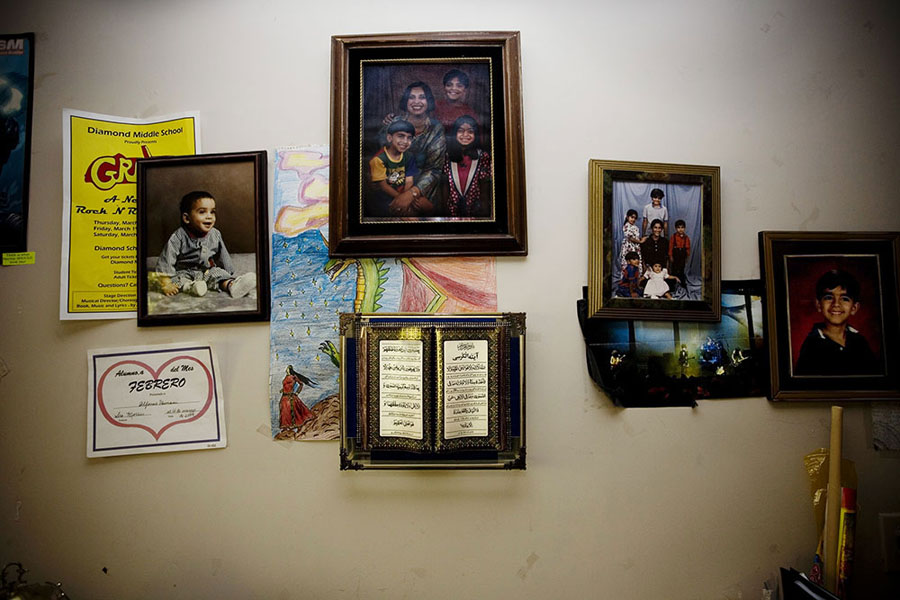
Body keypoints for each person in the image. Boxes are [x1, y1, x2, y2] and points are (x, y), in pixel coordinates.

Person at [155, 190, 256, 299]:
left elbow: (222, 255)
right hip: (184, 271)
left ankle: (232, 286)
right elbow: (167, 259)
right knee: (178, 279)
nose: (209, 216)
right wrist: (166, 282)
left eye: (212, 212)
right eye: (202, 212)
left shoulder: (215, 234)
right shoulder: (178, 237)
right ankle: (191, 287)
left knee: (217, 274)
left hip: (206, 270)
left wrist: (227, 271)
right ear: (187, 218)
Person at [379, 81, 446, 217]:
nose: (417, 102)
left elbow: (434, 169)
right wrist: (401, 195)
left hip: (424, 191)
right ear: (406, 100)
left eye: (422, 97)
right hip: (391, 186)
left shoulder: (436, 128)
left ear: (428, 101)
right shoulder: (392, 123)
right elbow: (380, 160)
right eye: (412, 97)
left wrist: (413, 193)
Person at [794, 269, 879, 375]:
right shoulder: (811, 346)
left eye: (844, 299)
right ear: (819, 305)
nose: (836, 304)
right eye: (829, 297)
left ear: (854, 308)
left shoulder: (860, 342)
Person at [437, 115, 492, 217]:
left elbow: (485, 190)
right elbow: (444, 188)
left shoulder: (483, 157)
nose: (465, 135)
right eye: (461, 131)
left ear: (475, 135)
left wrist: (484, 213)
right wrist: (444, 212)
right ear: (454, 133)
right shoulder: (447, 157)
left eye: (470, 131)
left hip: (475, 212)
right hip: (451, 212)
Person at [366, 119, 419, 217]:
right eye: (400, 136)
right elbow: (384, 186)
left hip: (404, 192)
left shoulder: (409, 156)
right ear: (389, 138)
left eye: (409, 138)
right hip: (384, 196)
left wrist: (406, 197)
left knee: (427, 206)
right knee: (409, 215)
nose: (405, 141)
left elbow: (409, 181)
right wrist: (401, 199)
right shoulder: (378, 159)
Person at [434, 69, 474, 133]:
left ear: (465, 90)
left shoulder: (469, 113)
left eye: (459, 86)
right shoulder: (435, 106)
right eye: (449, 85)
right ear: (444, 88)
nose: (453, 88)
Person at [279, 366, 316, 431]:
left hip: (290, 396)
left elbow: (301, 384)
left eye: (287, 369)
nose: (286, 370)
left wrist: (297, 392)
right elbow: (286, 385)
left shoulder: (294, 377)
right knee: (284, 411)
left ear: (290, 370)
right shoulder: (286, 377)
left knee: (294, 410)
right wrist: (283, 389)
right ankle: (286, 427)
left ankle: (295, 426)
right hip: (284, 396)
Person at [668, 218, 691, 290]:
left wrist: (687, 256)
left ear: (684, 228)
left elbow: (688, 248)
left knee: (681, 269)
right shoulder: (673, 237)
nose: (680, 229)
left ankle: (682, 282)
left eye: (682, 228)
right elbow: (670, 247)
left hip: (682, 255)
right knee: (674, 270)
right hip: (675, 255)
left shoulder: (686, 238)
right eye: (678, 228)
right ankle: (672, 284)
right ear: (676, 228)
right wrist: (671, 256)